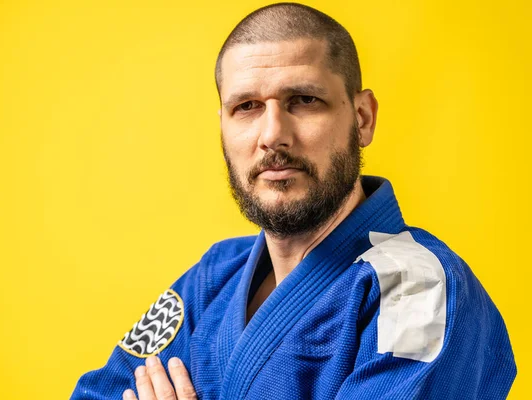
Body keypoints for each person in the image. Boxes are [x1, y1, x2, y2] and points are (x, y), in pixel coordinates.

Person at [71, 3, 516, 399]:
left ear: (362, 119)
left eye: (304, 100)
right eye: (246, 106)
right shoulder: (211, 278)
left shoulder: (416, 290)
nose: (272, 135)